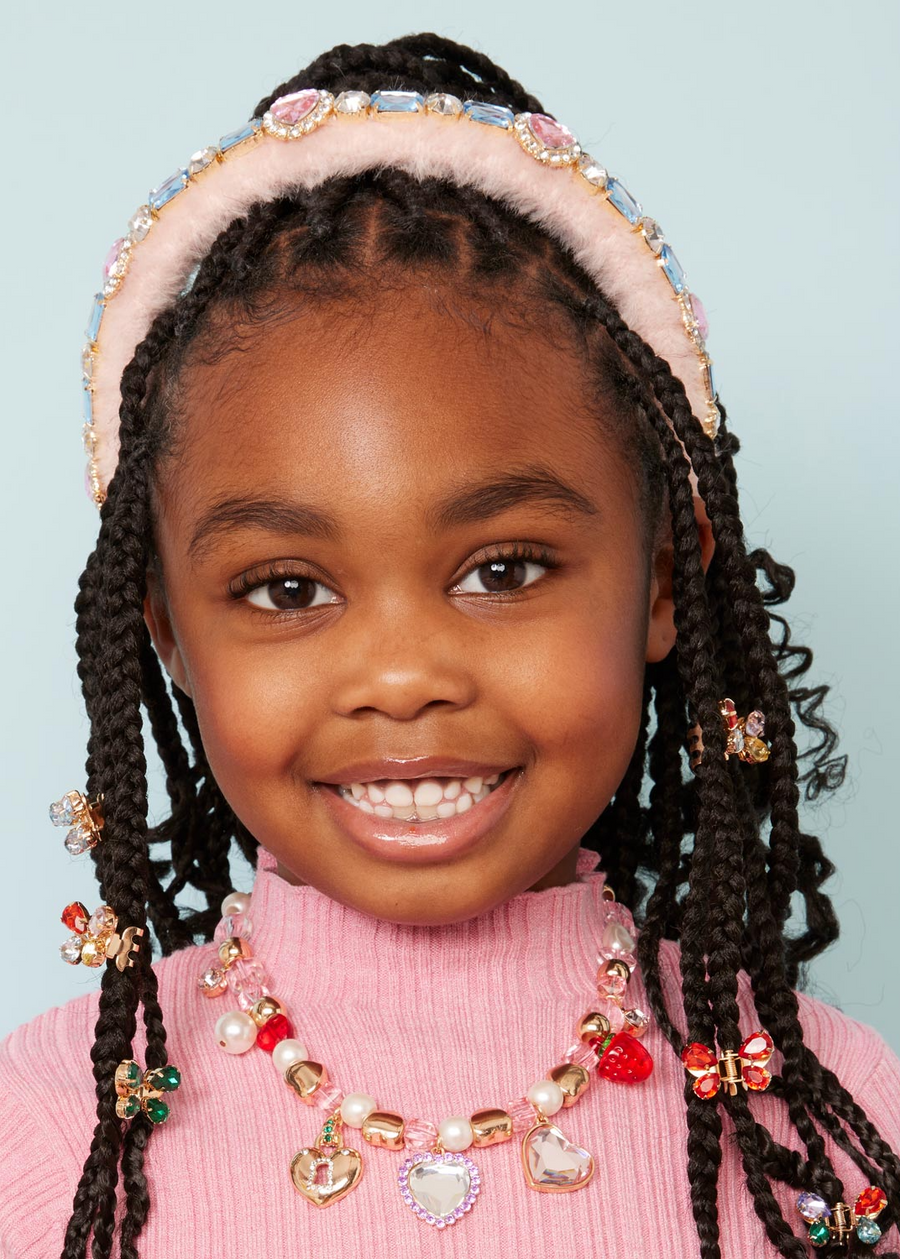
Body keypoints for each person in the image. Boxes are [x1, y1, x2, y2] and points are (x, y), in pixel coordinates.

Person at [1, 31, 897, 1259]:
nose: (405, 675)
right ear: (164, 626)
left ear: (662, 580)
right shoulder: (52, 1131)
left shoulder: (819, 1123)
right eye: (285, 586)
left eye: (504, 570)